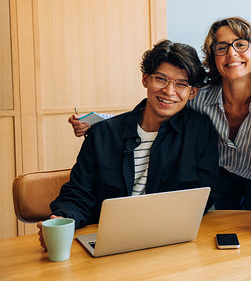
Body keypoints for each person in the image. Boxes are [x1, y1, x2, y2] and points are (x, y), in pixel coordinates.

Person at [69, 17, 251, 210]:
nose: (231, 54)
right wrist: (98, 124)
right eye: (221, 48)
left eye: (240, 45)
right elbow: (158, 109)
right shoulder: (199, 98)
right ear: (213, 58)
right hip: (219, 177)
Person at [37, 40, 219, 248]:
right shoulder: (104, 134)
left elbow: (205, 194)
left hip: (170, 240)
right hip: (109, 242)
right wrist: (61, 220)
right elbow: (79, 193)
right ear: (145, 80)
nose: (169, 91)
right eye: (161, 79)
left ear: (192, 93)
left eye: (181, 84)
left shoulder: (200, 132)